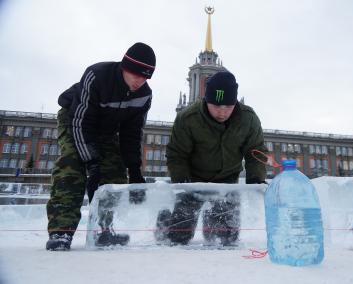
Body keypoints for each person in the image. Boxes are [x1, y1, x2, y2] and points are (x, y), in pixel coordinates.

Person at [46, 42, 156, 251]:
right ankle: (61, 231)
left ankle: (104, 230)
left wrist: (134, 169)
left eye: (146, 77)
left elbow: (131, 134)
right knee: (71, 167)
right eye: (136, 74)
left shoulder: (144, 95)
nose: (140, 81)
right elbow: (82, 122)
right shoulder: (97, 75)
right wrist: (92, 162)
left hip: (107, 130)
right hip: (75, 120)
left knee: (114, 174)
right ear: (125, 67)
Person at [155, 71, 267, 246]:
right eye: (216, 106)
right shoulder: (188, 118)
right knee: (178, 237)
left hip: (226, 183)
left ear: (235, 103)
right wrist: (184, 184)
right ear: (206, 100)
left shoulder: (248, 119)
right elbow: (177, 154)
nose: (222, 112)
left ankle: (212, 217)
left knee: (226, 239)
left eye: (228, 107)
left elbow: (256, 153)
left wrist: (256, 182)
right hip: (193, 182)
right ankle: (165, 220)